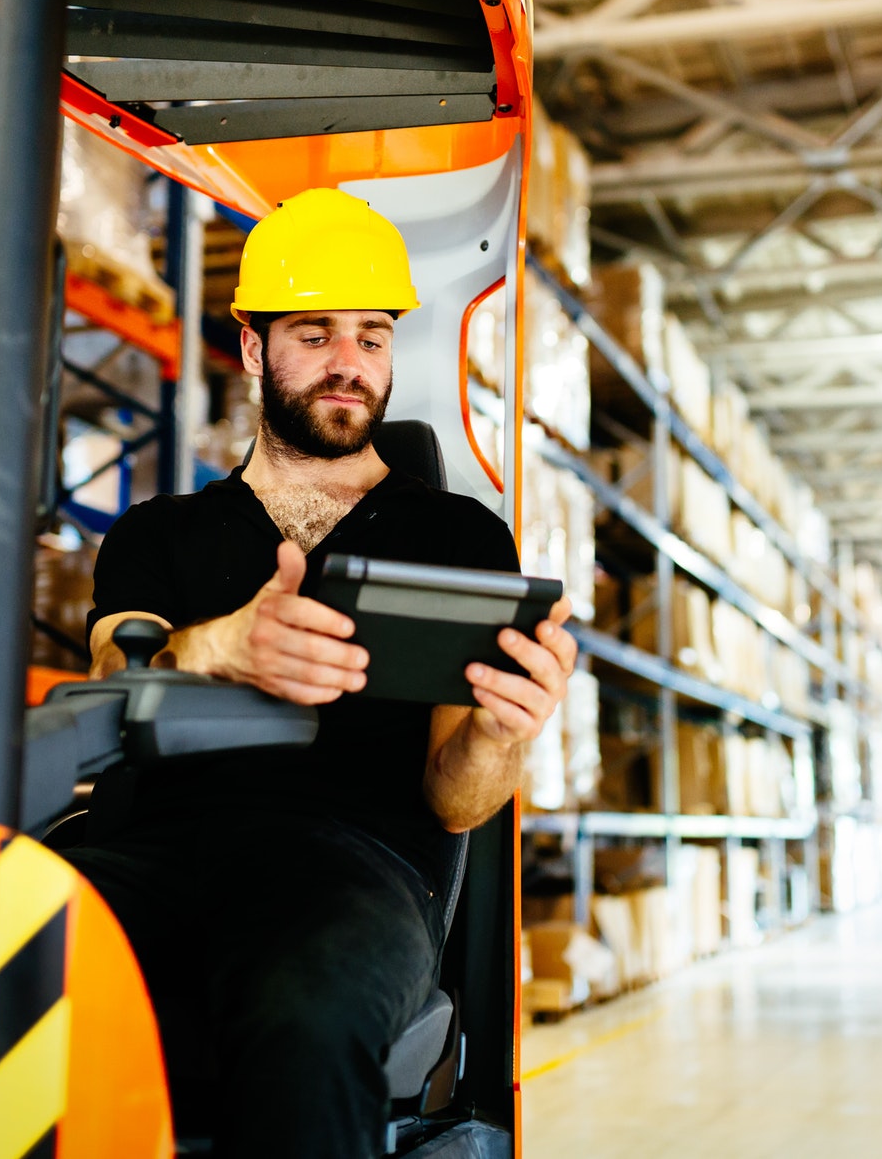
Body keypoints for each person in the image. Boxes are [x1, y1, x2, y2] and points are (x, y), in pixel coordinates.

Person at [61, 188, 578, 1159]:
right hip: (155, 848)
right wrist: (220, 647)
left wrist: (501, 732)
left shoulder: (456, 538)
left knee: (300, 1010)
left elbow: (456, 800)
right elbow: (110, 671)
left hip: (357, 868)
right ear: (253, 348)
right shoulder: (160, 534)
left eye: (372, 337)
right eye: (314, 333)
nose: (350, 363)